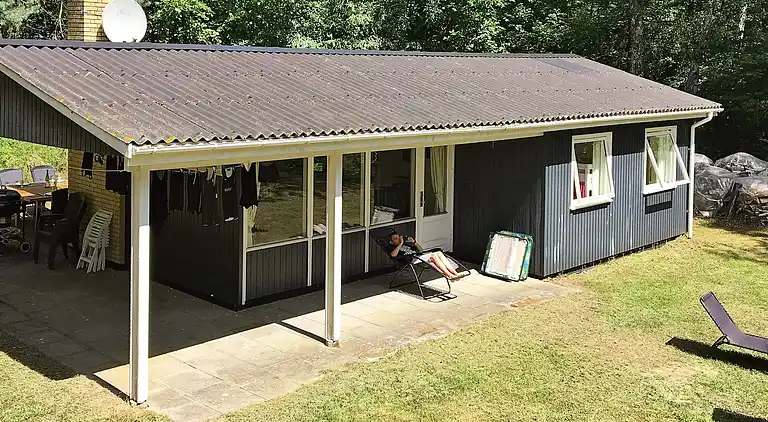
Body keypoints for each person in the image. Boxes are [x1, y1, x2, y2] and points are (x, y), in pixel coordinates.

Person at [387, 231, 464, 279]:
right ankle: (449, 275)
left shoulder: (407, 244)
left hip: (419, 256)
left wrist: (414, 243)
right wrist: (400, 244)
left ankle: (454, 273)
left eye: (398, 237)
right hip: (412, 259)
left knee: (439, 253)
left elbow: (421, 250)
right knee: (433, 256)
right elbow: (393, 255)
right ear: (391, 242)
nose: (399, 239)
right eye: (395, 238)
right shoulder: (394, 248)